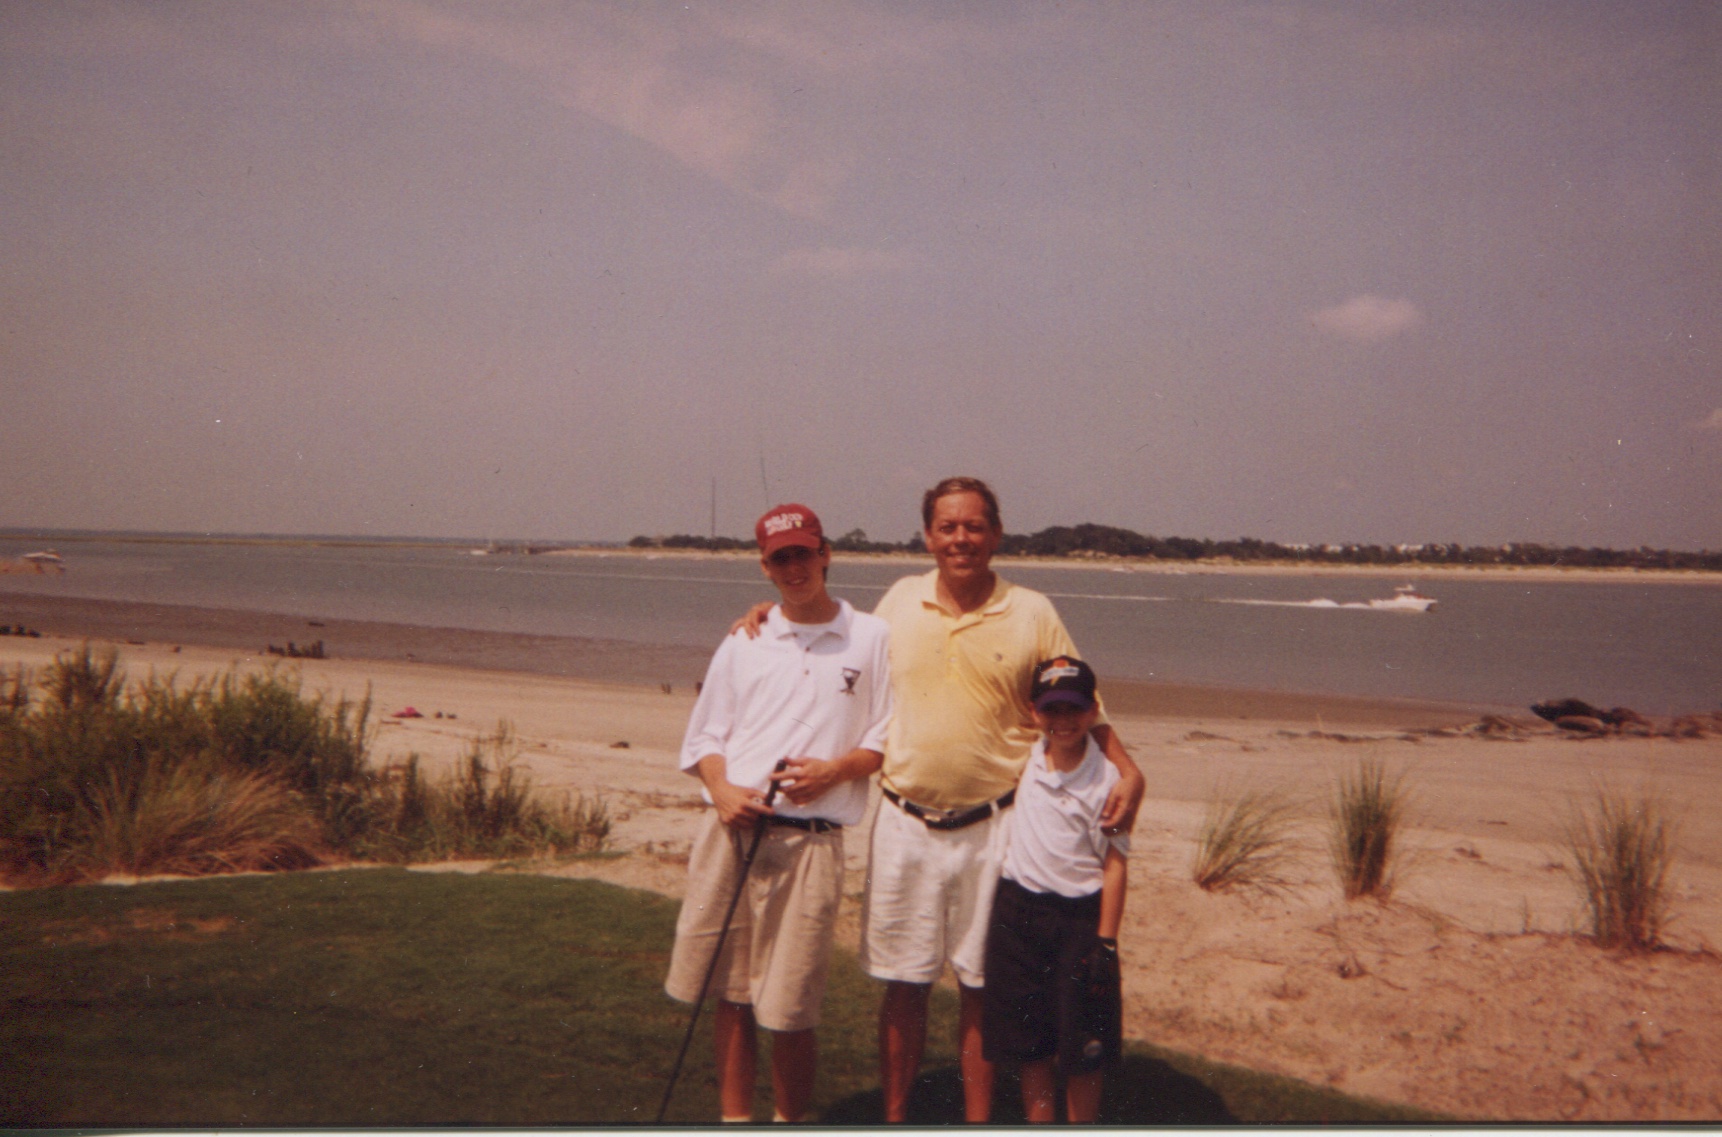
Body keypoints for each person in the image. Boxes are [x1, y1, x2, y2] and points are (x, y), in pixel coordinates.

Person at [735, 476, 1144, 1122]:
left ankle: (974, 1122)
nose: (961, 538)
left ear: (997, 533)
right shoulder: (898, 601)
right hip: (903, 822)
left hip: (998, 827)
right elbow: (830, 633)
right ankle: (897, 1121)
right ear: (928, 535)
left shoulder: (1032, 610)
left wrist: (1129, 770)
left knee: (981, 986)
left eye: (974, 525)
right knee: (904, 985)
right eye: (947, 526)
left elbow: (1082, 705)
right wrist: (767, 614)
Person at [663, 503, 892, 1124]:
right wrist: (723, 789)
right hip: (732, 831)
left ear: (826, 555)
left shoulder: (872, 637)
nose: (795, 567)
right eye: (780, 558)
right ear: (765, 568)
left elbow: (884, 741)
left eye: (804, 553)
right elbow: (706, 737)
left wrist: (834, 770)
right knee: (729, 996)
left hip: (811, 845)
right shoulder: (746, 636)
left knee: (790, 1007)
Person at [982, 656, 1127, 1123]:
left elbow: (1115, 862)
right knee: (1031, 1046)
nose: (1062, 721)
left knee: (1082, 1045)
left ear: (1092, 711)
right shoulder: (1027, 754)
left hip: (1079, 922)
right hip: (1018, 912)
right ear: (1034, 712)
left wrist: (1106, 940)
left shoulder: (1108, 780)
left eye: (1074, 710)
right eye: (1052, 710)